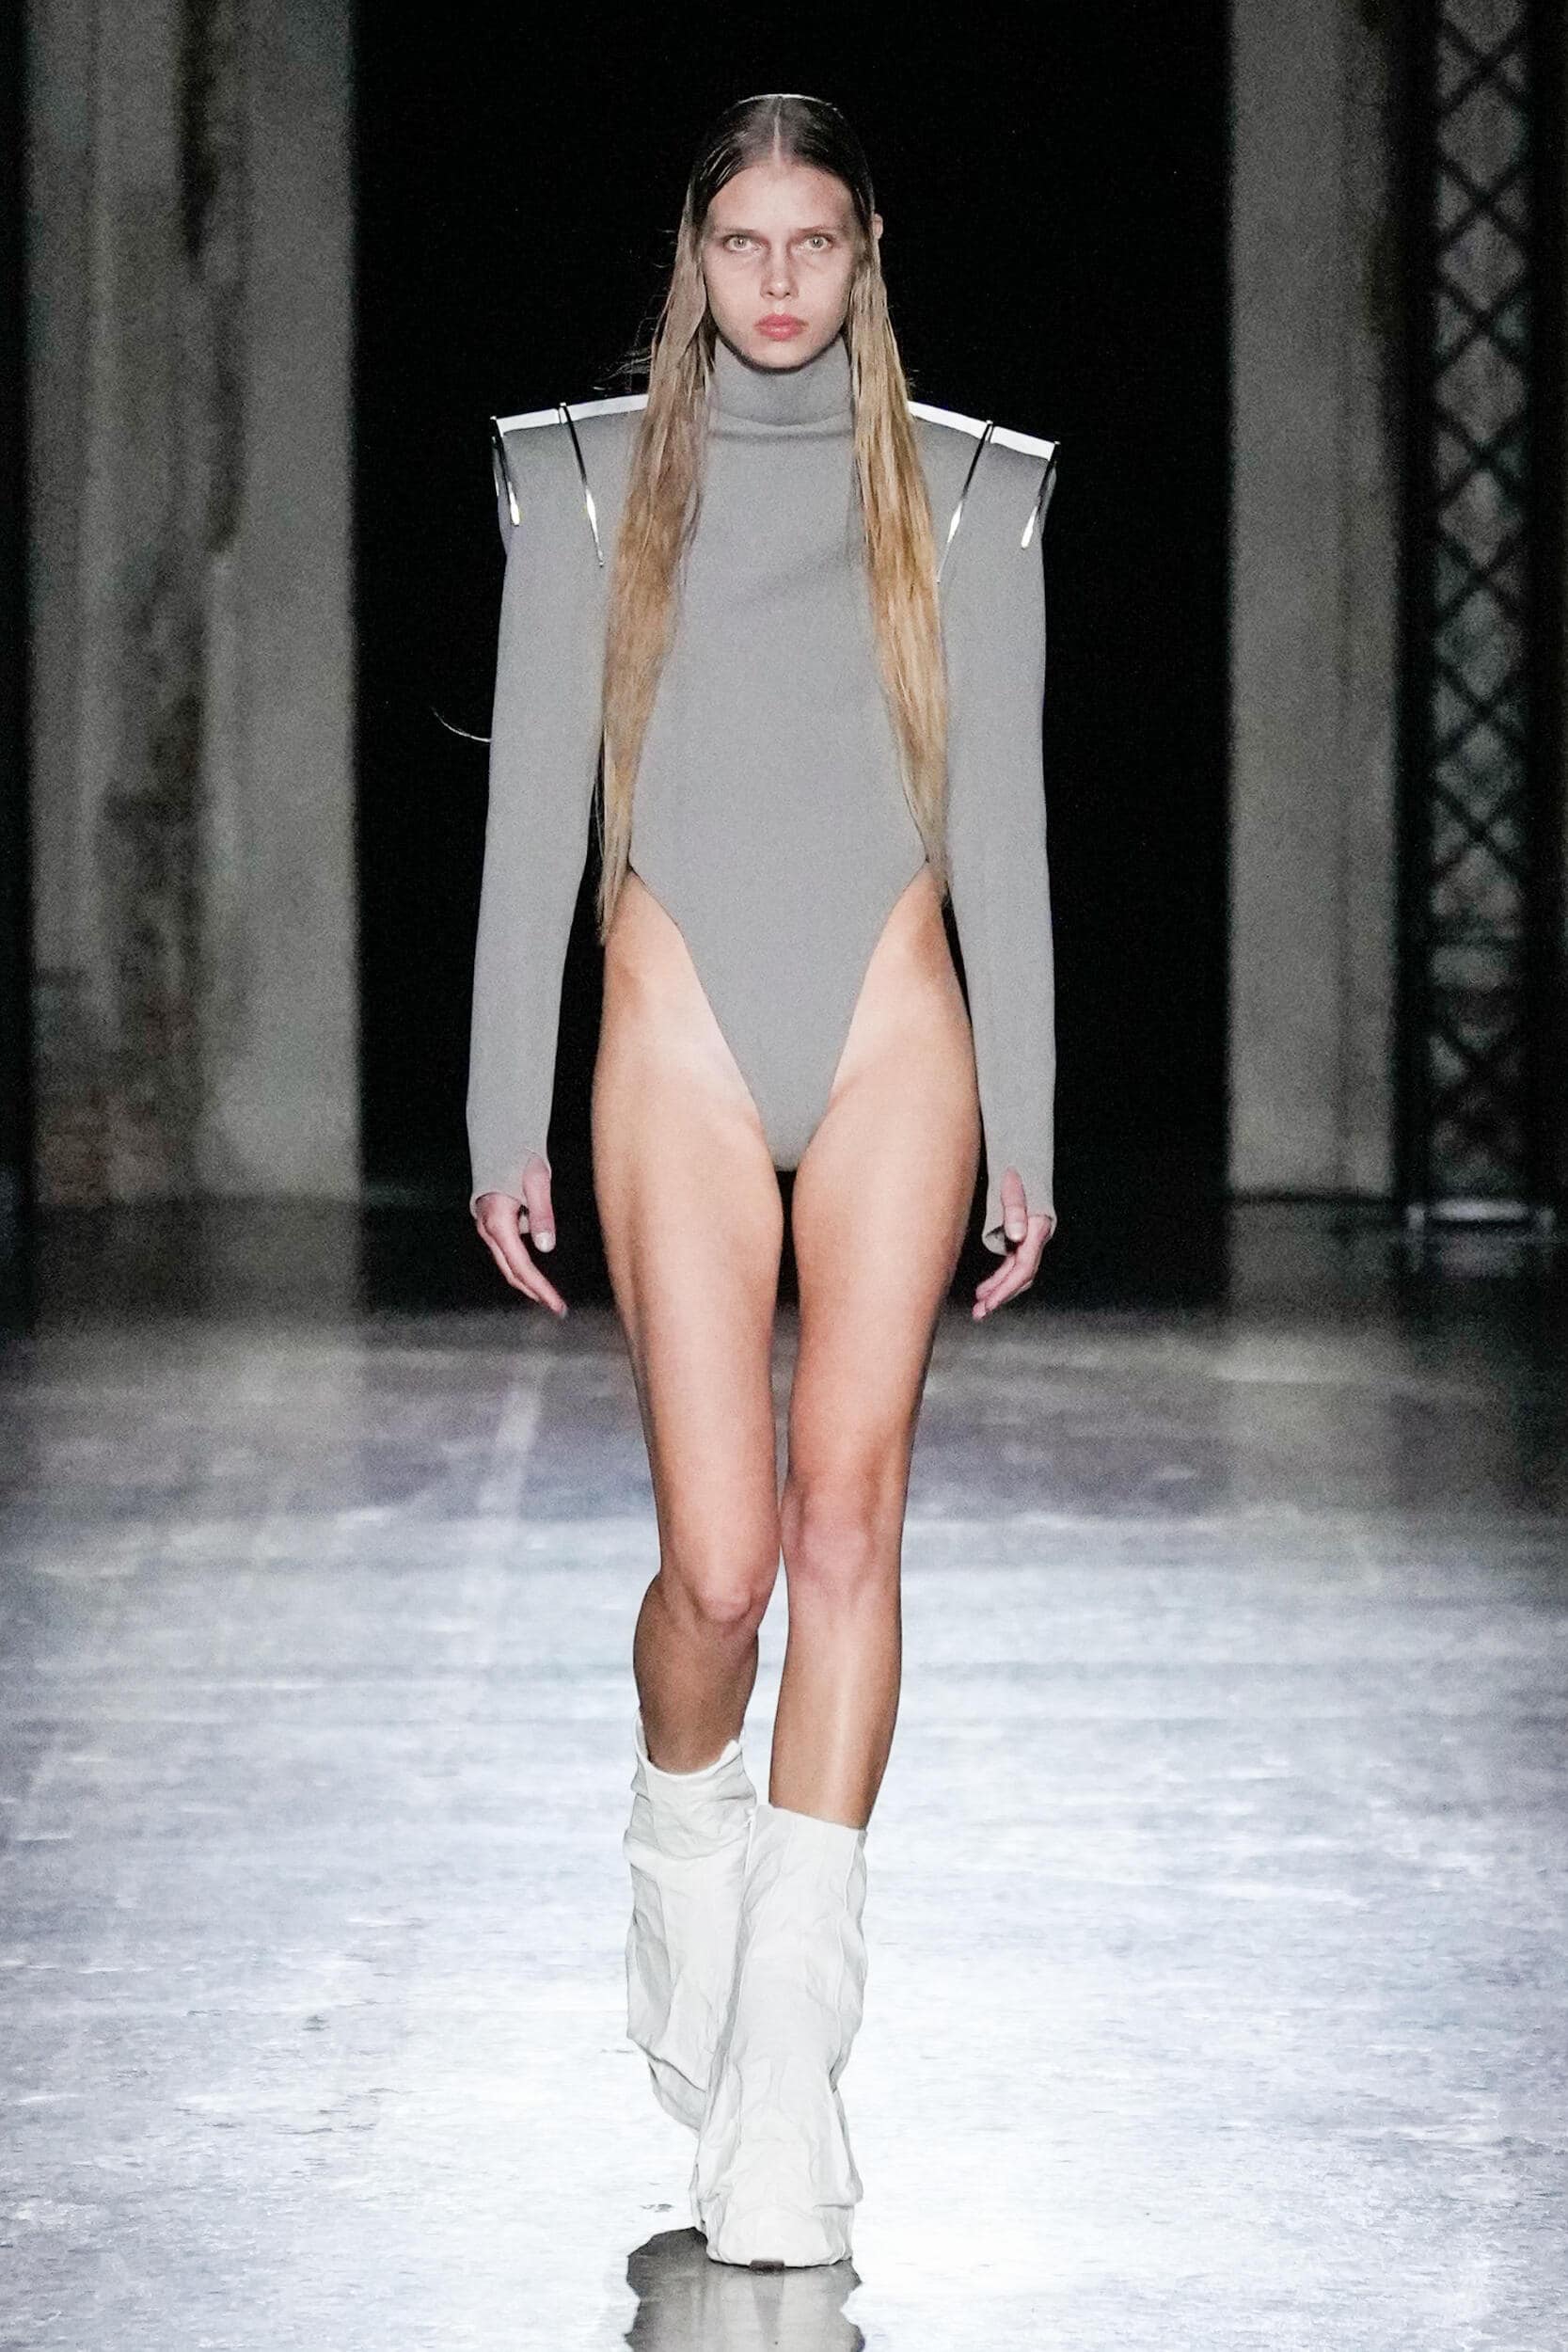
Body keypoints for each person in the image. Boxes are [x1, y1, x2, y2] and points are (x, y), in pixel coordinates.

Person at [466, 91, 1060, 2270]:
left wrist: (1034, 1122)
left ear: (868, 253)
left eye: (817, 241)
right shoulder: (587, 477)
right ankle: (679, 1844)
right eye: (745, 243)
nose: (781, 280)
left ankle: (789, 2063)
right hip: (679, 1022)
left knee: (846, 1523)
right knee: (717, 1569)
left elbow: (1002, 823)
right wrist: (497, 1114)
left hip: (896, 1017)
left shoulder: (974, 493)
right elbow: (535, 811)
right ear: (697, 259)